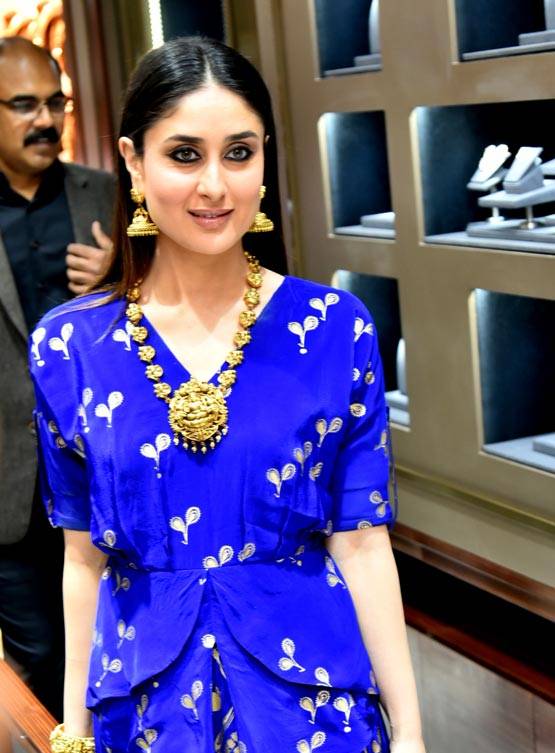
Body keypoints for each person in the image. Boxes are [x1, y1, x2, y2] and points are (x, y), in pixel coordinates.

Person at [29, 37, 425, 753]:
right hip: (145, 714)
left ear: (265, 157)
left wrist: (411, 735)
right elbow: (82, 557)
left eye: (239, 153)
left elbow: (364, 545)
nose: (215, 185)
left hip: (312, 712)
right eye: (185, 154)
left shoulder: (333, 329)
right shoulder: (70, 347)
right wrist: (75, 734)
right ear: (132, 161)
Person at [0, 36, 115, 721]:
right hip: (10, 490)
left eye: (55, 103)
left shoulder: (109, 195)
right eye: (24, 105)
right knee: (41, 656)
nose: (45, 120)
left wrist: (119, 277)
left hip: (106, 473)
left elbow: (173, 312)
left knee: (120, 647)